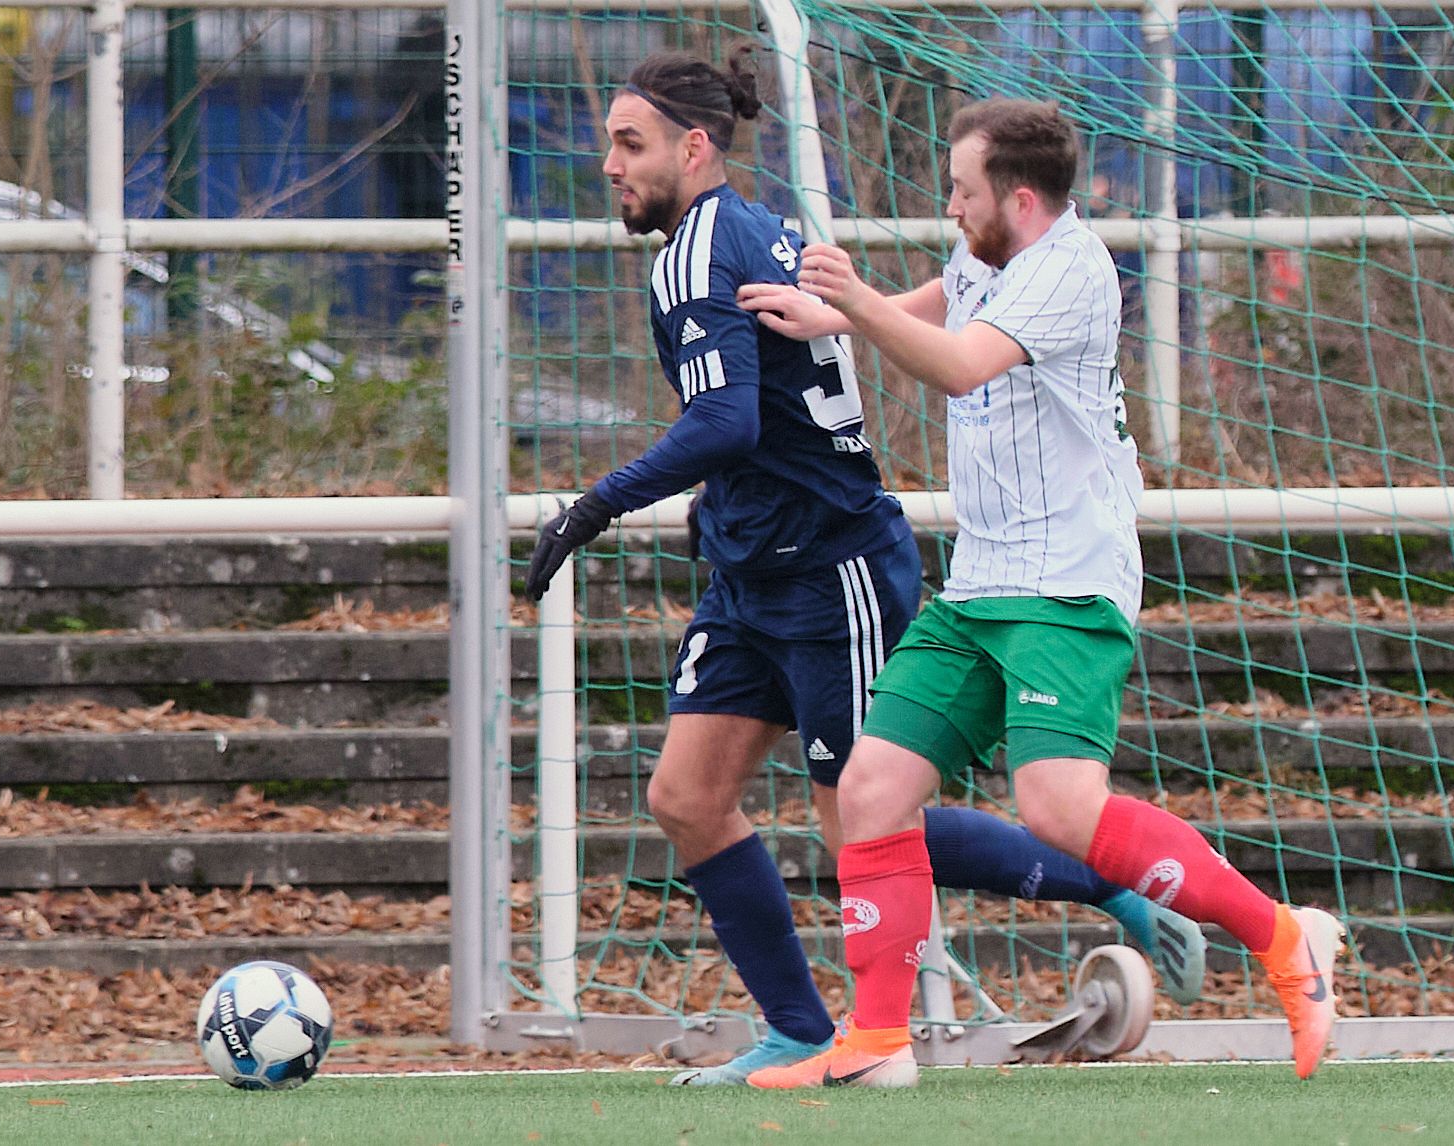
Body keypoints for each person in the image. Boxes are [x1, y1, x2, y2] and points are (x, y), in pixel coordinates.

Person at [522, 55, 1207, 1087]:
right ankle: (798, 1028)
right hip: (754, 564)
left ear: (693, 148)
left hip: (828, 565)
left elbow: (728, 418)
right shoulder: (754, 229)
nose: (609, 164)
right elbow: (771, 404)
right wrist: (725, 503)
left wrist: (593, 505)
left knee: (868, 821)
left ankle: (1103, 885)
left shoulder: (703, 249)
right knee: (686, 797)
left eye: (630, 143)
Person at [737, 98, 1344, 1089]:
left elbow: (960, 367)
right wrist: (834, 314)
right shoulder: (990, 250)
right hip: (982, 580)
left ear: (1019, 199)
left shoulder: (1071, 267)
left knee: (1059, 809)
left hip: (1064, 584)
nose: (950, 205)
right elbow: (949, 295)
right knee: (870, 790)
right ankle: (878, 1043)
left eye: (962, 190)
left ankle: (1283, 936)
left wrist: (853, 299)